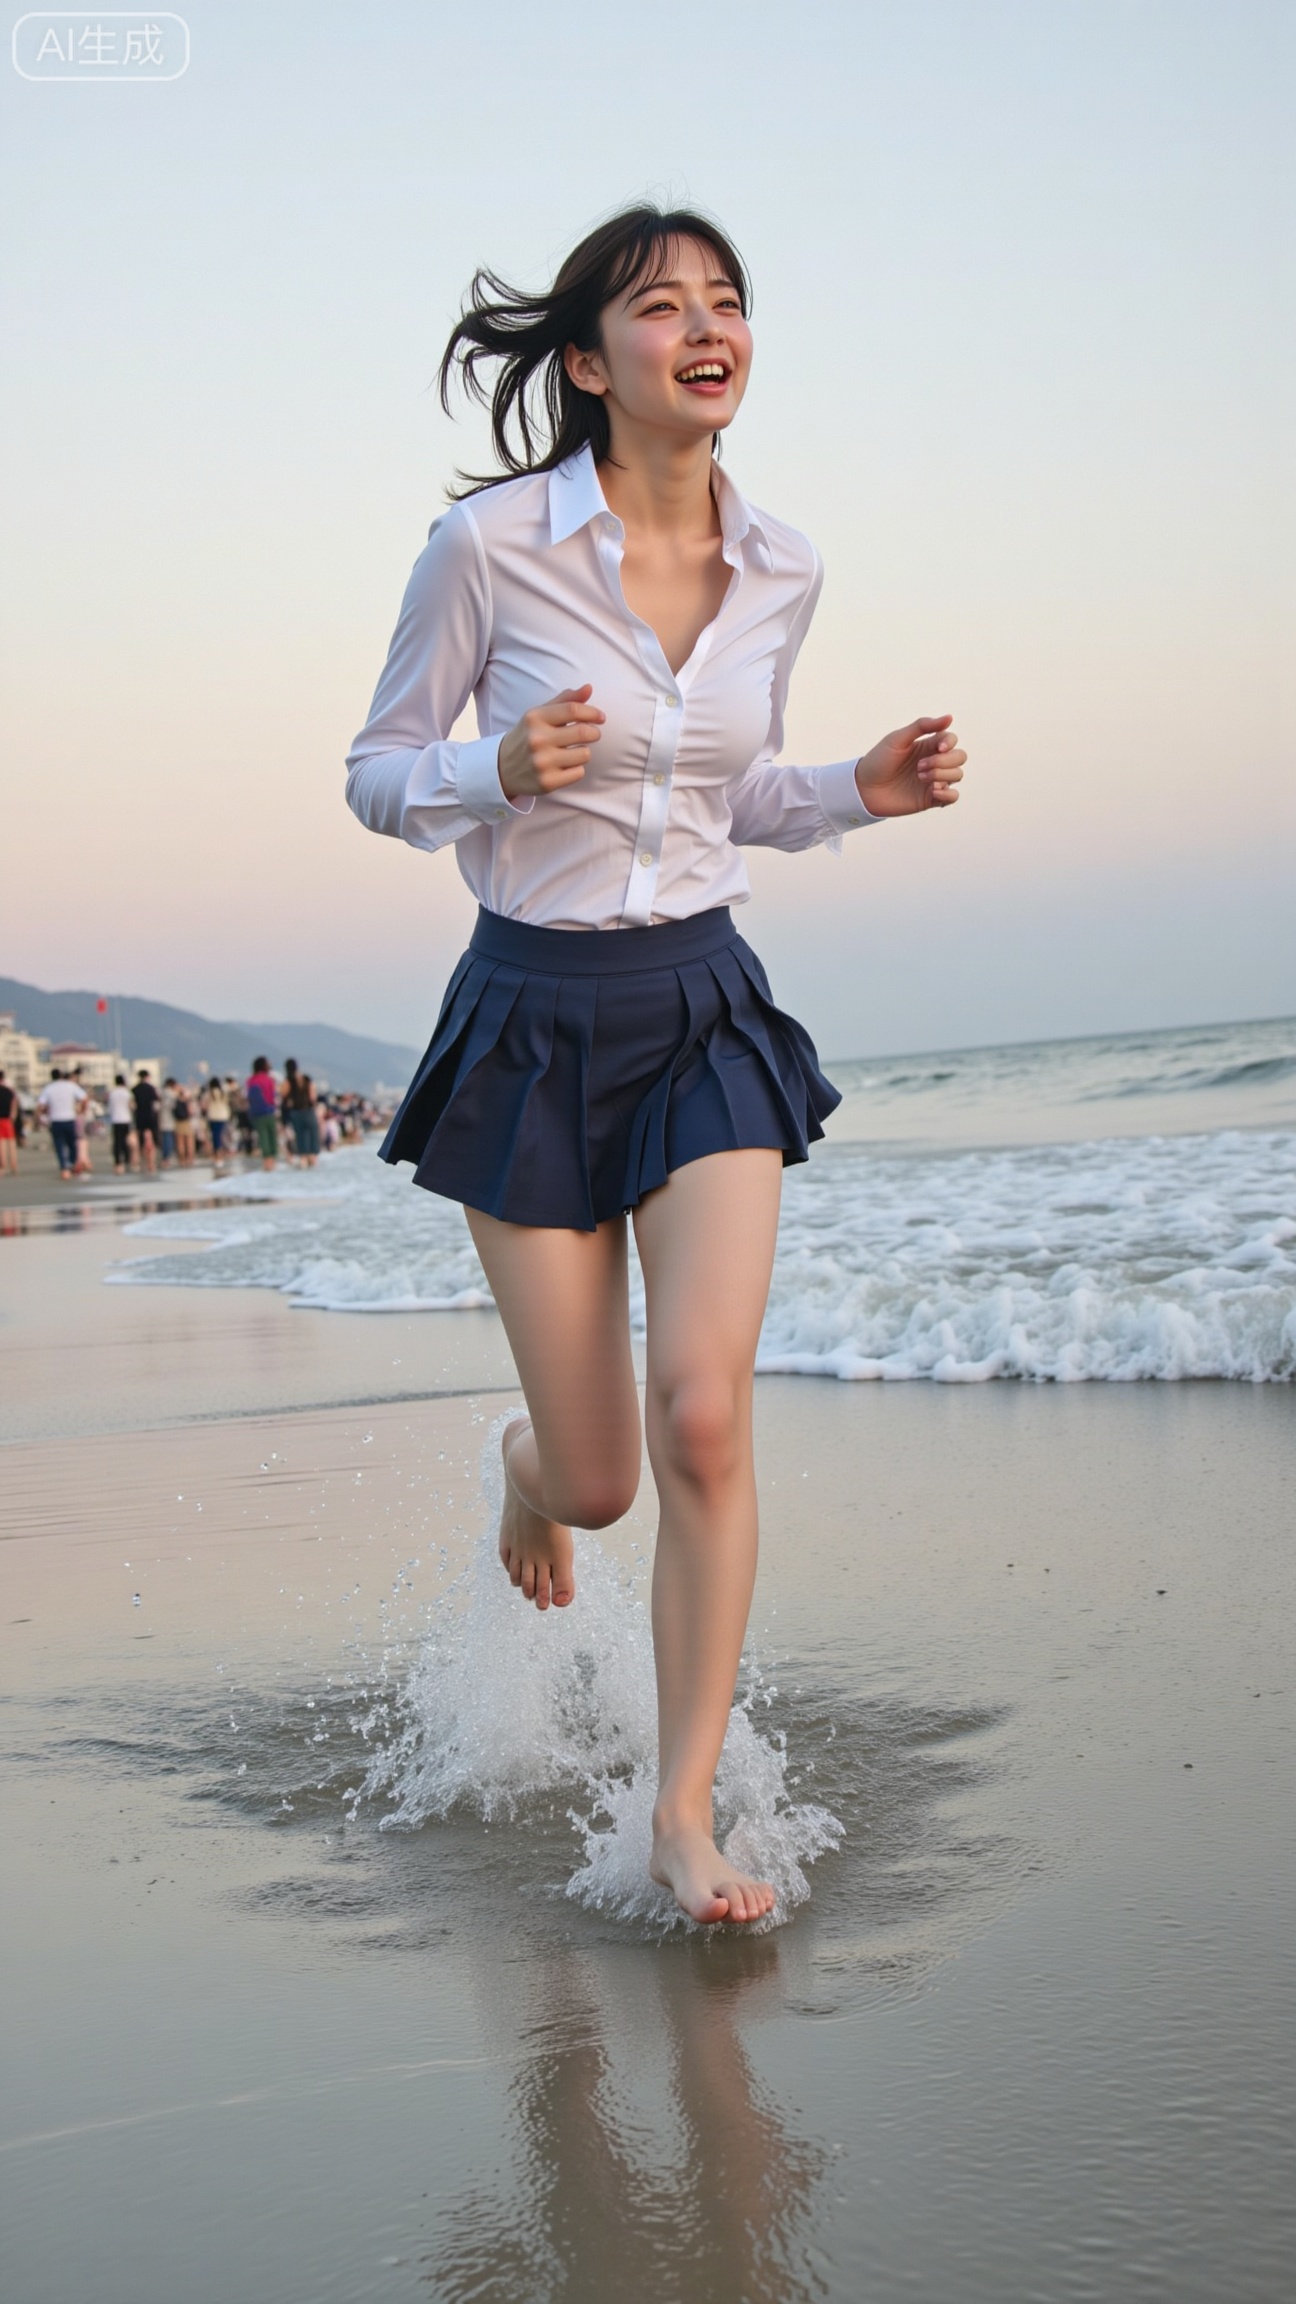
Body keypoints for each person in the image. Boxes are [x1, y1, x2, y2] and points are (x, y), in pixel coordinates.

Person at [345, 206, 965, 1926]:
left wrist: (856, 786)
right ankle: (522, 1471)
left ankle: (683, 1813)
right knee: (603, 1471)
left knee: (704, 1415)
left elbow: (727, 795)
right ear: (586, 361)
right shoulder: (486, 552)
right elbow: (377, 769)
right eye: (661, 304)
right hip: (528, 1020)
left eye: (728, 301)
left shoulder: (786, 565)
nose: (707, 325)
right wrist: (492, 767)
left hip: (702, 1009)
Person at [38, 1068, 88, 1180]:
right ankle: (72, 1163)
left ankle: (64, 1168)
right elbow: (84, 1098)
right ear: (61, 1075)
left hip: (55, 1120)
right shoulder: (70, 1086)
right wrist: (82, 1111)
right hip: (69, 1119)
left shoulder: (48, 1088)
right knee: (72, 1144)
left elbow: (41, 1105)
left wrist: (44, 1116)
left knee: (59, 1145)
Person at [284, 1058, 320, 1166]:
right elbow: (312, 1096)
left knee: (300, 1136)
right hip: (309, 1111)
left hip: (296, 1112)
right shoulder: (306, 1079)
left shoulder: (288, 1080)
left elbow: (284, 1096)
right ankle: (313, 1159)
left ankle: (303, 1158)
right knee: (313, 1135)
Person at [245, 1056, 278, 1168]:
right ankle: (272, 1161)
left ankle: (266, 1161)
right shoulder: (269, 1079)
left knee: (263, 1137)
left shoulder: (250, 1080)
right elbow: (271, 1097)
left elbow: (248, 1097)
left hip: (255, 1113)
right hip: (268, 1111)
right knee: (271, 1136)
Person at [132, 1069, 160, 1173]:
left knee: (141, 1141)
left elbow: (133, 1105)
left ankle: (143, 1162)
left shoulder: (135, 1089)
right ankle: (151, 1163)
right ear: (147, 1076)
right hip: (151, 1117)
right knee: (153, 1140)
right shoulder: (151, 1088)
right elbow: (156, 1102)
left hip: (140, 1117)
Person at [106, 1074, 134, 1172]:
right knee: (125, 1141)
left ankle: (117, 1161)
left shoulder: (112, 1093)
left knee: (117, 1142)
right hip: (125, 1119)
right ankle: (127, 1159)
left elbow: (109, 1107)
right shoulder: (127, 1092)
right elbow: (131, 1106)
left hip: (115, 1119)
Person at [204, 1075, 231, 1168]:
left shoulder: (209, 1093)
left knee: (215, 1137)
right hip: (223, 1116)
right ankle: (221, 1156)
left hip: (213, 1117)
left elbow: (204, 1105)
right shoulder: (223, 1093)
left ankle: (217, 1157)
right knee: (221, 1136)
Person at [0, 1070, 19, 1176]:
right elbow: (15, 1104)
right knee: (11, 1143)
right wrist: (13, 1117)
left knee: (1, 1144)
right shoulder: (9, 1090)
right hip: (8, 1120)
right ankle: (14, 1166)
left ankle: (3, 1166)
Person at [173, 1081, 196, 1167]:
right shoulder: (187, 1102)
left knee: (180, 1143)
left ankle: (182, 1160)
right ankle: (190, 1159)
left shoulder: (175, 1101)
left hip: (178, 1123)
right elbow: (191, 1112)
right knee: (189, 1142)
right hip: (187, 1122)